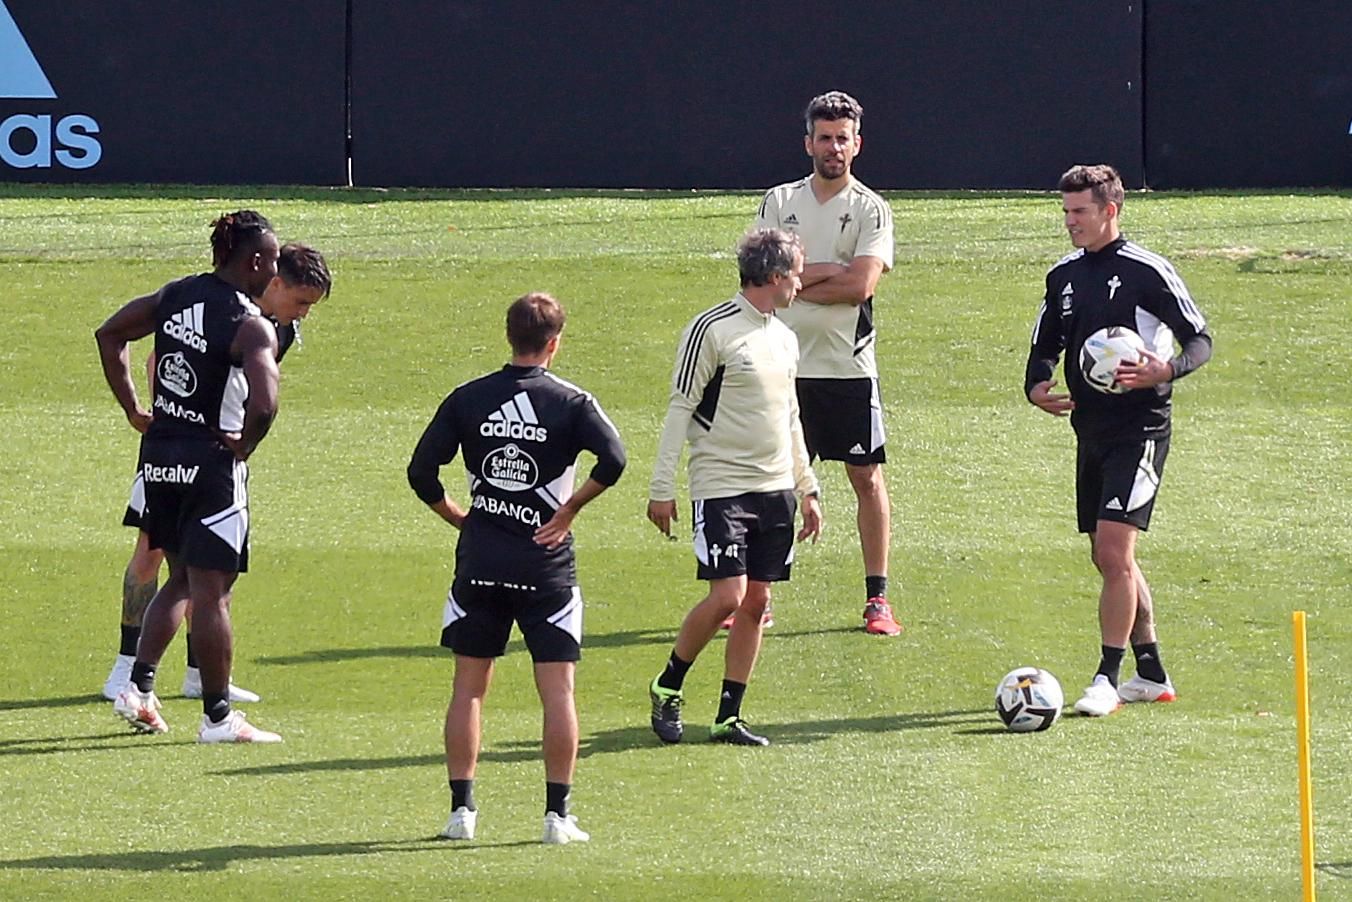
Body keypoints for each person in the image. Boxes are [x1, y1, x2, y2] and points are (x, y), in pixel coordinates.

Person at [407, 292, 626, 845]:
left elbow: (421, 472)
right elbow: (615, 460)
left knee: (469, 689)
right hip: (546, 568)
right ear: (555, 343)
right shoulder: (573, 403)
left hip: (480, 562)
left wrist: (463, 518)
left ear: (509, 337)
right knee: (558, 692)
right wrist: (569, 510)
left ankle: (462, 813)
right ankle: (557, 818)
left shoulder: (469, 397)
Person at [100, 243, 332, 704]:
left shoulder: (275, 329)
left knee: (209, 572)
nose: (304, 313)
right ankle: (125, 669)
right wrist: (166, 415)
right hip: (174, 451)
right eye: (301, 301)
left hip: (215, 461)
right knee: (153, 555)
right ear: (274, 281)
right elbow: (162, 360)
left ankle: (197, 675)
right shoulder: (218, 308)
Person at [1025, 164, 1212, 716]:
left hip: (1142, 431)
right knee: (1107, 558)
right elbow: (1046, 342)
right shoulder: (1063, 275)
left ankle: (1106, 677)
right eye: (1065, 212)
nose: (1070, 222)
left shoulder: (1148, 271)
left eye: (1079, 212)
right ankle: (1150, 670)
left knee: (1114, 551)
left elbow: (1200, 338)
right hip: (1091, 430)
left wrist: (1166, 370)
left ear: (1110, 209)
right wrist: (1035, 384)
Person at [95, 210, 286, 743]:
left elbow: (109, 334)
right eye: (271, 261)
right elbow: (266, 403)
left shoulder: (176, 295)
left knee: (180, 578)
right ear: (253, 260)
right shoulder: (251, 324)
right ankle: (218, 717)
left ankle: (139, 687)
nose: (274, 271)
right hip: (211, 467)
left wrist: (135, 407)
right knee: (213, 592)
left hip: (158, 459)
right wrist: (243, 445)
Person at [647, 228, 823, 748]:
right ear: (772, 276)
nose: (800, 283)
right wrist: (662, 486)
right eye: (795, 274)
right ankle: (668, 684)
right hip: (722, 484)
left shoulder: (785, 338)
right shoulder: (712, 330)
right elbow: (681, 405)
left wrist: (806, 486)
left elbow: (790, 416)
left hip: (776, 491)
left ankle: (728, 715)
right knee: (729, 595)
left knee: (757, 601)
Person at [754, 90, 900, 636]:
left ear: (857, 144)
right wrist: (826, 273)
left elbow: (860, 285)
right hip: (783, 367)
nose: (833, 147)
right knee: (774, 483)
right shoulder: (778, 200)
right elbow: (763, 280)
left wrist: (796, 277)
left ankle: (877, 599)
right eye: (825, 137)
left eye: (843, 138)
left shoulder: (870, 208)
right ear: (808, 142)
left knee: (865, 476)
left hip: (847, 367)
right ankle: (760, 596)